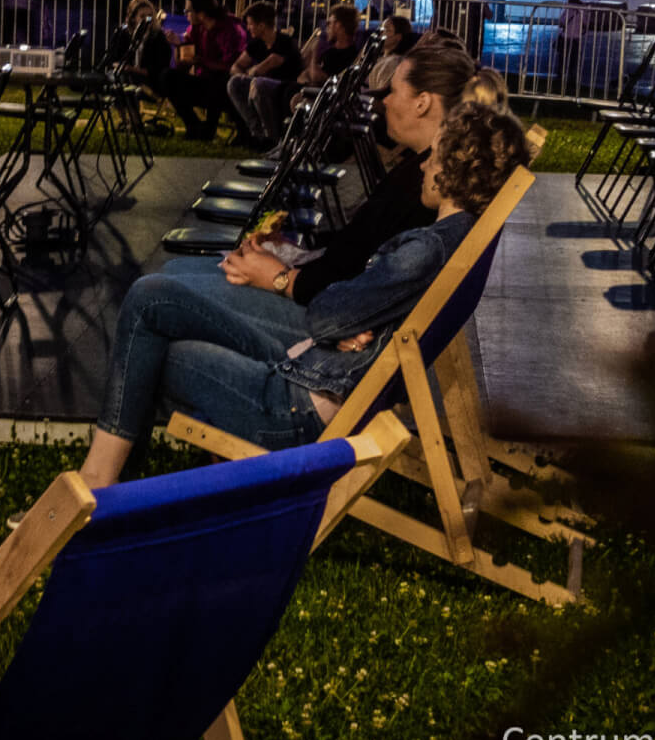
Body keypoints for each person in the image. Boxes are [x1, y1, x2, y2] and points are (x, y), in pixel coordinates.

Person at [76, 101, 531, 488]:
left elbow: (325, 317)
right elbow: (338, 318)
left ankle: (99, 487)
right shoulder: (455, 238)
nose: (427, 164)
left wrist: (344, 319)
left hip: (295, 409)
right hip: (310, 371)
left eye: (436, 156)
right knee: (153, 303)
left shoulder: (425, 250)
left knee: (150, 325)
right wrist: (352, 319)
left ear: (451, 169)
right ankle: (113, 481)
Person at [217, 39, 488, 303]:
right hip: (313, 287)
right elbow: (359, 249)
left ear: (422, 102)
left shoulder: (425, 184)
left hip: (312, 307)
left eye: (391, 91)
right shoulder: (432, 172)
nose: (385, 102)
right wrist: (290, 252)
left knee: (176, 286)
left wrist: (278, 276)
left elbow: (356, 280)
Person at [163, 0, 248, 139]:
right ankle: (194, 125)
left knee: (220, 79)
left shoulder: (230, 29)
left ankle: (211, 129)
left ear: (201, 13)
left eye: (188, 11)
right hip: (205, 82)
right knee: (168, 77)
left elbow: (233, 67)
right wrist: (178, 46)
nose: (186, 15)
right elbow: (183, 65)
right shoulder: (196, 28)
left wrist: (203, 61)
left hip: (228, 87)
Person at [226, 1, 303, 147]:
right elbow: (236, 66)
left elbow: (271, 62)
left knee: (259, 83)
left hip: (284, 86)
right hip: (259, 84)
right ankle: (257, 132)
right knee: (234, 83)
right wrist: (244, 75)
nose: (248, 28)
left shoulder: (284, 42)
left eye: (250, 24)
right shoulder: (256, 44)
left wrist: (254, 71)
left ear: (261, 26)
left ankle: (272, 137)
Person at [108, 0, 172, 95]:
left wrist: (133, 69)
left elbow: (159, 69)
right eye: (142, 16)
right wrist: (121, 66)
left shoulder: (158, 37)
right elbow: (113, 58)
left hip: (150, 80)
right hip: (126, 74)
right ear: (133, 18)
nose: (147, 20)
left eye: (150, 16)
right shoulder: (123, 34)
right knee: (117, 77)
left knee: (126, 79)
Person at [367, 14, 418, 92]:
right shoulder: (379, 57)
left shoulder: (392, 63)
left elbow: (380, 92)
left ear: (398, 37)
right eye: (382, 29)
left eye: (387, 30)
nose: (381, 33)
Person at [560, 0, 588, 93]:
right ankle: (572, 83)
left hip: (566, 38)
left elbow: (561, 22)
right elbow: (585, 25)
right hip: (576, 39)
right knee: (574, 62)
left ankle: (560, 80)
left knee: (563, 60)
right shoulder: (581, 12)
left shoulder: (567, 10)